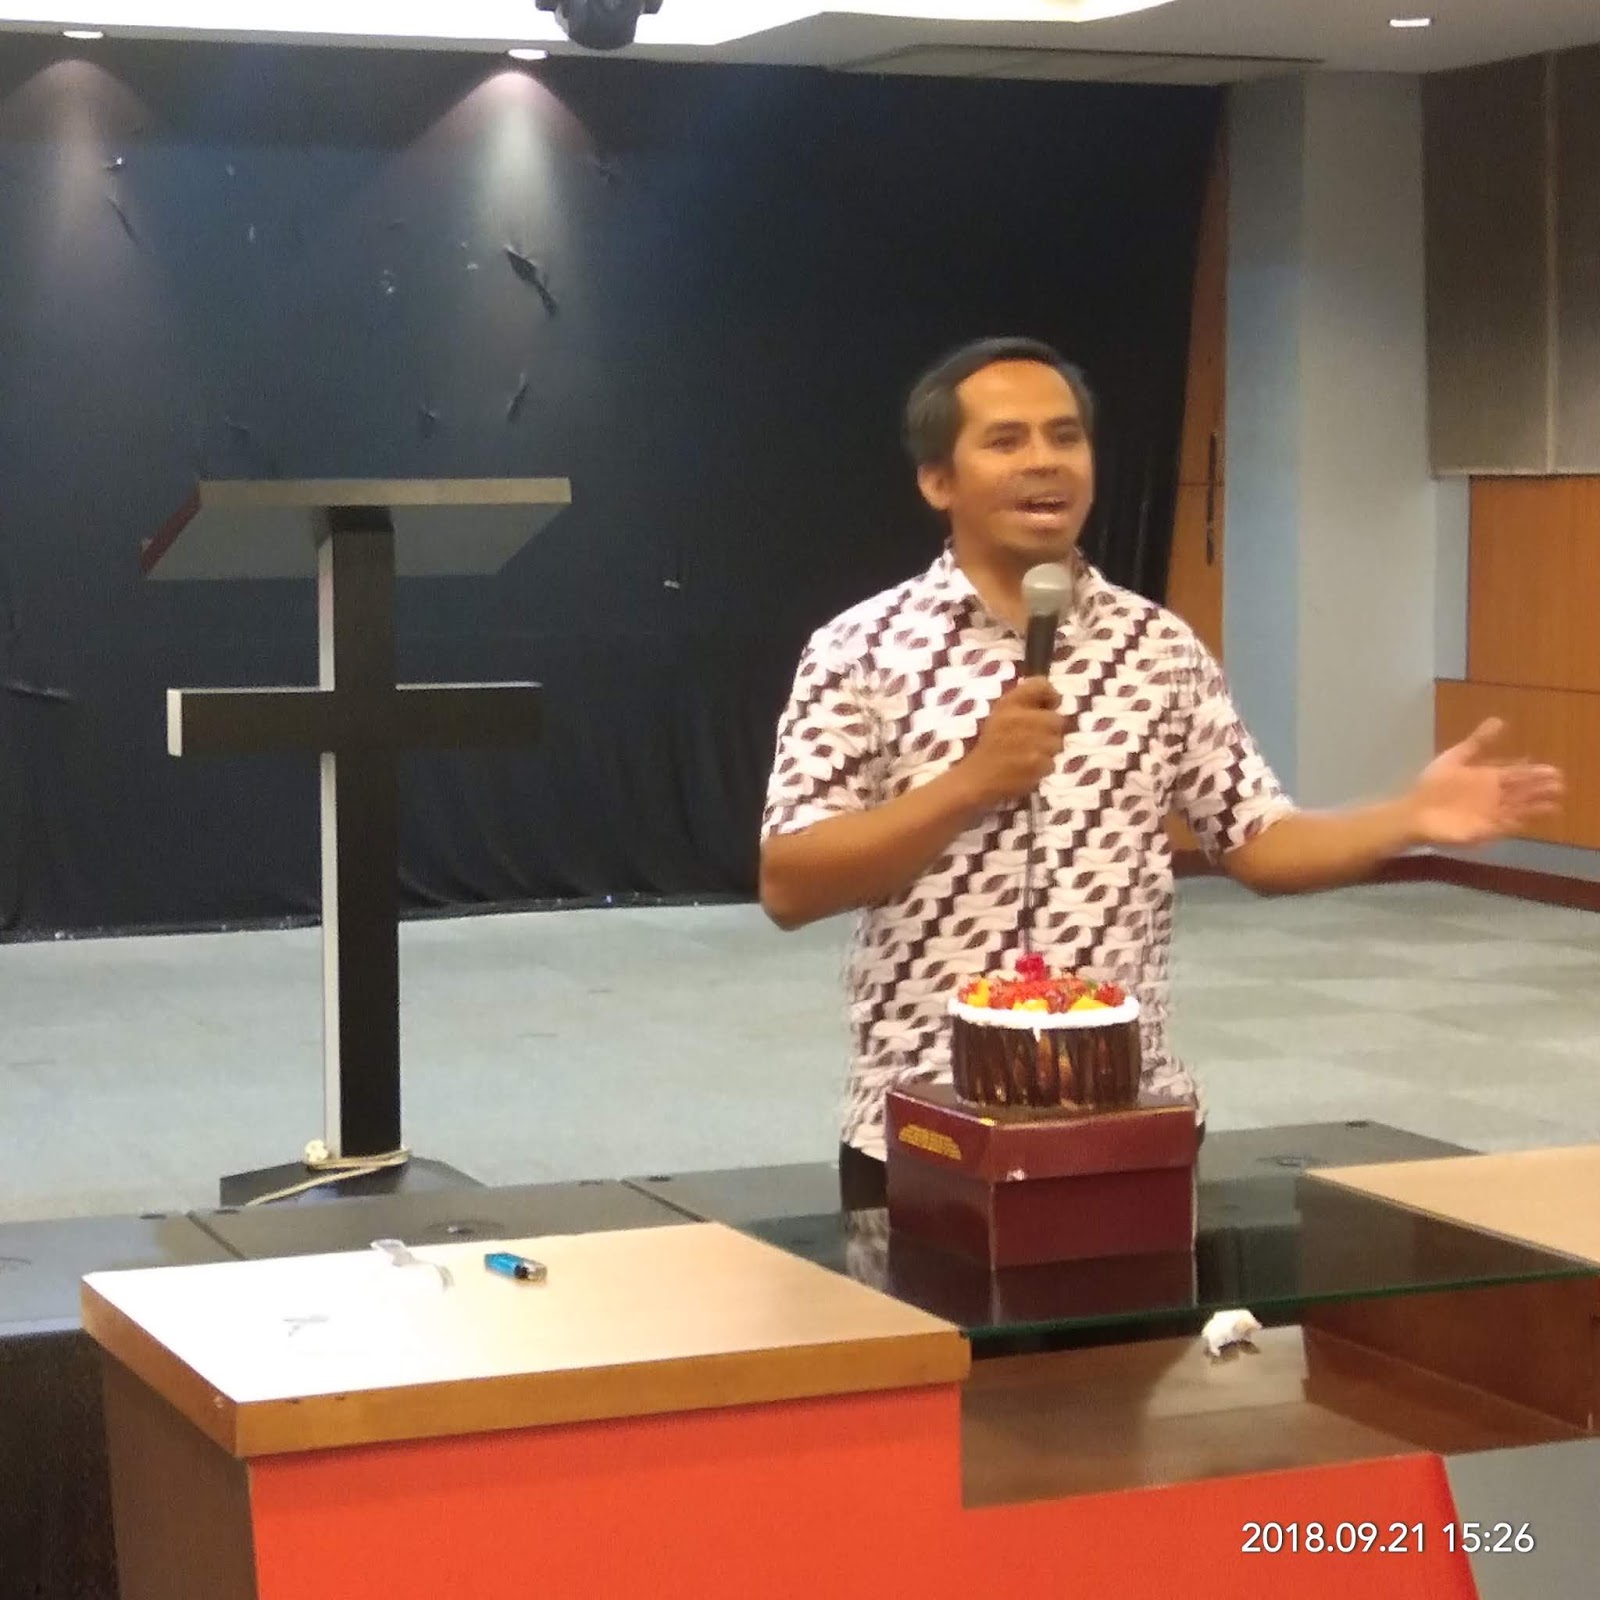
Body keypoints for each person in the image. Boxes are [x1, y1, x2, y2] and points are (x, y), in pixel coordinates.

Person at [758, 336, 1563, 1207]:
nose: (1044, 461)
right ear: (938, 481)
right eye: (1006, 440)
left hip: (1131, 1117)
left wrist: (1407, 817)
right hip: (925, 1124)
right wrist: (970, 784)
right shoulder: (860, 650)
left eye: (1065, 436)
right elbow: (791, 884)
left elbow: (1260, 843)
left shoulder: (1157, 648)